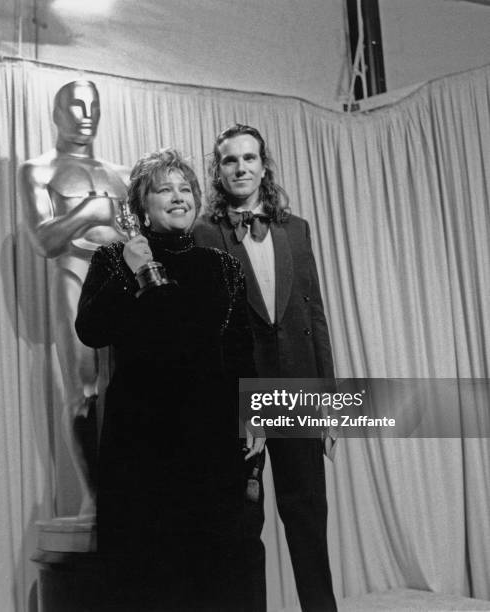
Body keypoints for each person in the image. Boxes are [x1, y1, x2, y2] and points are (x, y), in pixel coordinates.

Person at [75, 148, 261, 611]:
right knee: (149, 573)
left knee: (215, 570)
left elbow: (241, 352)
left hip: (210, 441)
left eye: (185, 189)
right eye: (164, 189)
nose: (178, 198)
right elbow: (91, 329)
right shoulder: (115, 260)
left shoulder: (223, 267)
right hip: (141, 440)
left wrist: (253, 416)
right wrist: (138, 272)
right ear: (143, 204)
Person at [194, 124, 338, 612]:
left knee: (307, 516)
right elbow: (204, 330)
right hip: (241, 395)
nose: (241, 168)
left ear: (263, 165)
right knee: (242, 525)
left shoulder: (296, 229)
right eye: (230, 160)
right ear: (218, 170)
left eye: (249, 158)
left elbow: (313, 314)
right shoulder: (203, 233)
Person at [19, 80, 129, 517]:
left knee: (133, 386)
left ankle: (131, 487)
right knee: (84, 392)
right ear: (56, 112)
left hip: (122, 274)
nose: (85, 114)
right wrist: (92, 212)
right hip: (74, 272)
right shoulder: (38, 170)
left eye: (93, 105)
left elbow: (139, 235)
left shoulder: (122, 173)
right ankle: (96, 496)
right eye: (75, 105)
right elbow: (45, 240)